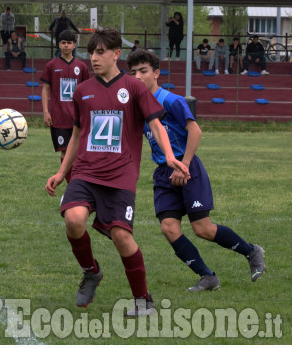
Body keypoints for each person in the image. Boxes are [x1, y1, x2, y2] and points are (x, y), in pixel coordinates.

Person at [44, 27, 190, 317]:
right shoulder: (83, 90)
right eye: (92, 53)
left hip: (121, 175)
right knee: (73, 220)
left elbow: (157, 125)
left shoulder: (134, 87)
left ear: (116, 54)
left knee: (122, 237)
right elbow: (76, 135)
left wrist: (171, 156)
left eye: (100, 52)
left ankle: (143, 301)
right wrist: (62, 172)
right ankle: (91, 272)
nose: (95, 58)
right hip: (85, 171)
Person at [126, 49, 265, 291]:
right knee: (169, 228)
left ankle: (252, 251)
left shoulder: (171, 100)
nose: (137, 76)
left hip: (187, 167)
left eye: (143, 71)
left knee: (203, 229)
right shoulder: (138, 106)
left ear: (156, 73)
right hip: (163, 172)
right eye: (133, 72)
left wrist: (185, 166)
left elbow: (195, 131)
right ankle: (207, 277)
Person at [40, 30, 90, 183]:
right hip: (59, 117)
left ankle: (77, 187)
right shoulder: (51, 65)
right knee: (64, 154)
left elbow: (86, 92)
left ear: (74, 45)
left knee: (78, 155)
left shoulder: (81, 66)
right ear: (59, 44)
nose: (66, 45)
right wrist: (46, 112)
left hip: (77, 117)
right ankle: (71, 189)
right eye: (63, 42)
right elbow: (45, 89)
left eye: (69, 43)